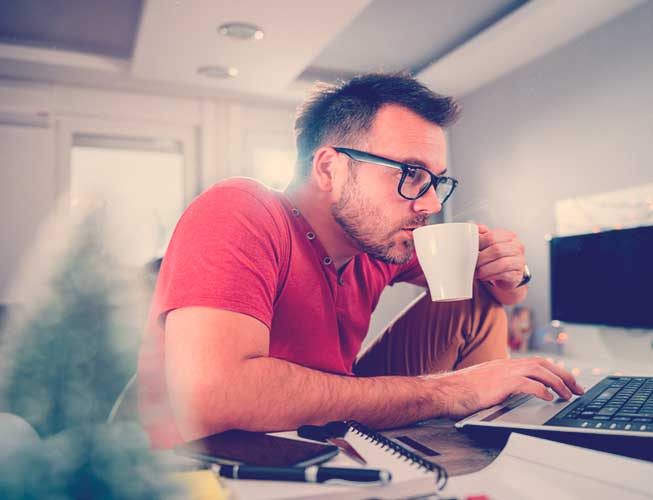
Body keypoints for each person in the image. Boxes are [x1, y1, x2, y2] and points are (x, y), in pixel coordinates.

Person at [137, 73, 584, 448]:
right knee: (455, 389)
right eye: (411, 174)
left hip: (323, 429)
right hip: (215, 461)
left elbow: (493, 295)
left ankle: (488, 451)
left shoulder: (379, 241)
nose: (429, 202)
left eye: (437, 182)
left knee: (473, 305)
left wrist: (511, 272)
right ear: (329, 168)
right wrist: (452, 391)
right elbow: (212, 403)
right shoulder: (242, 209)